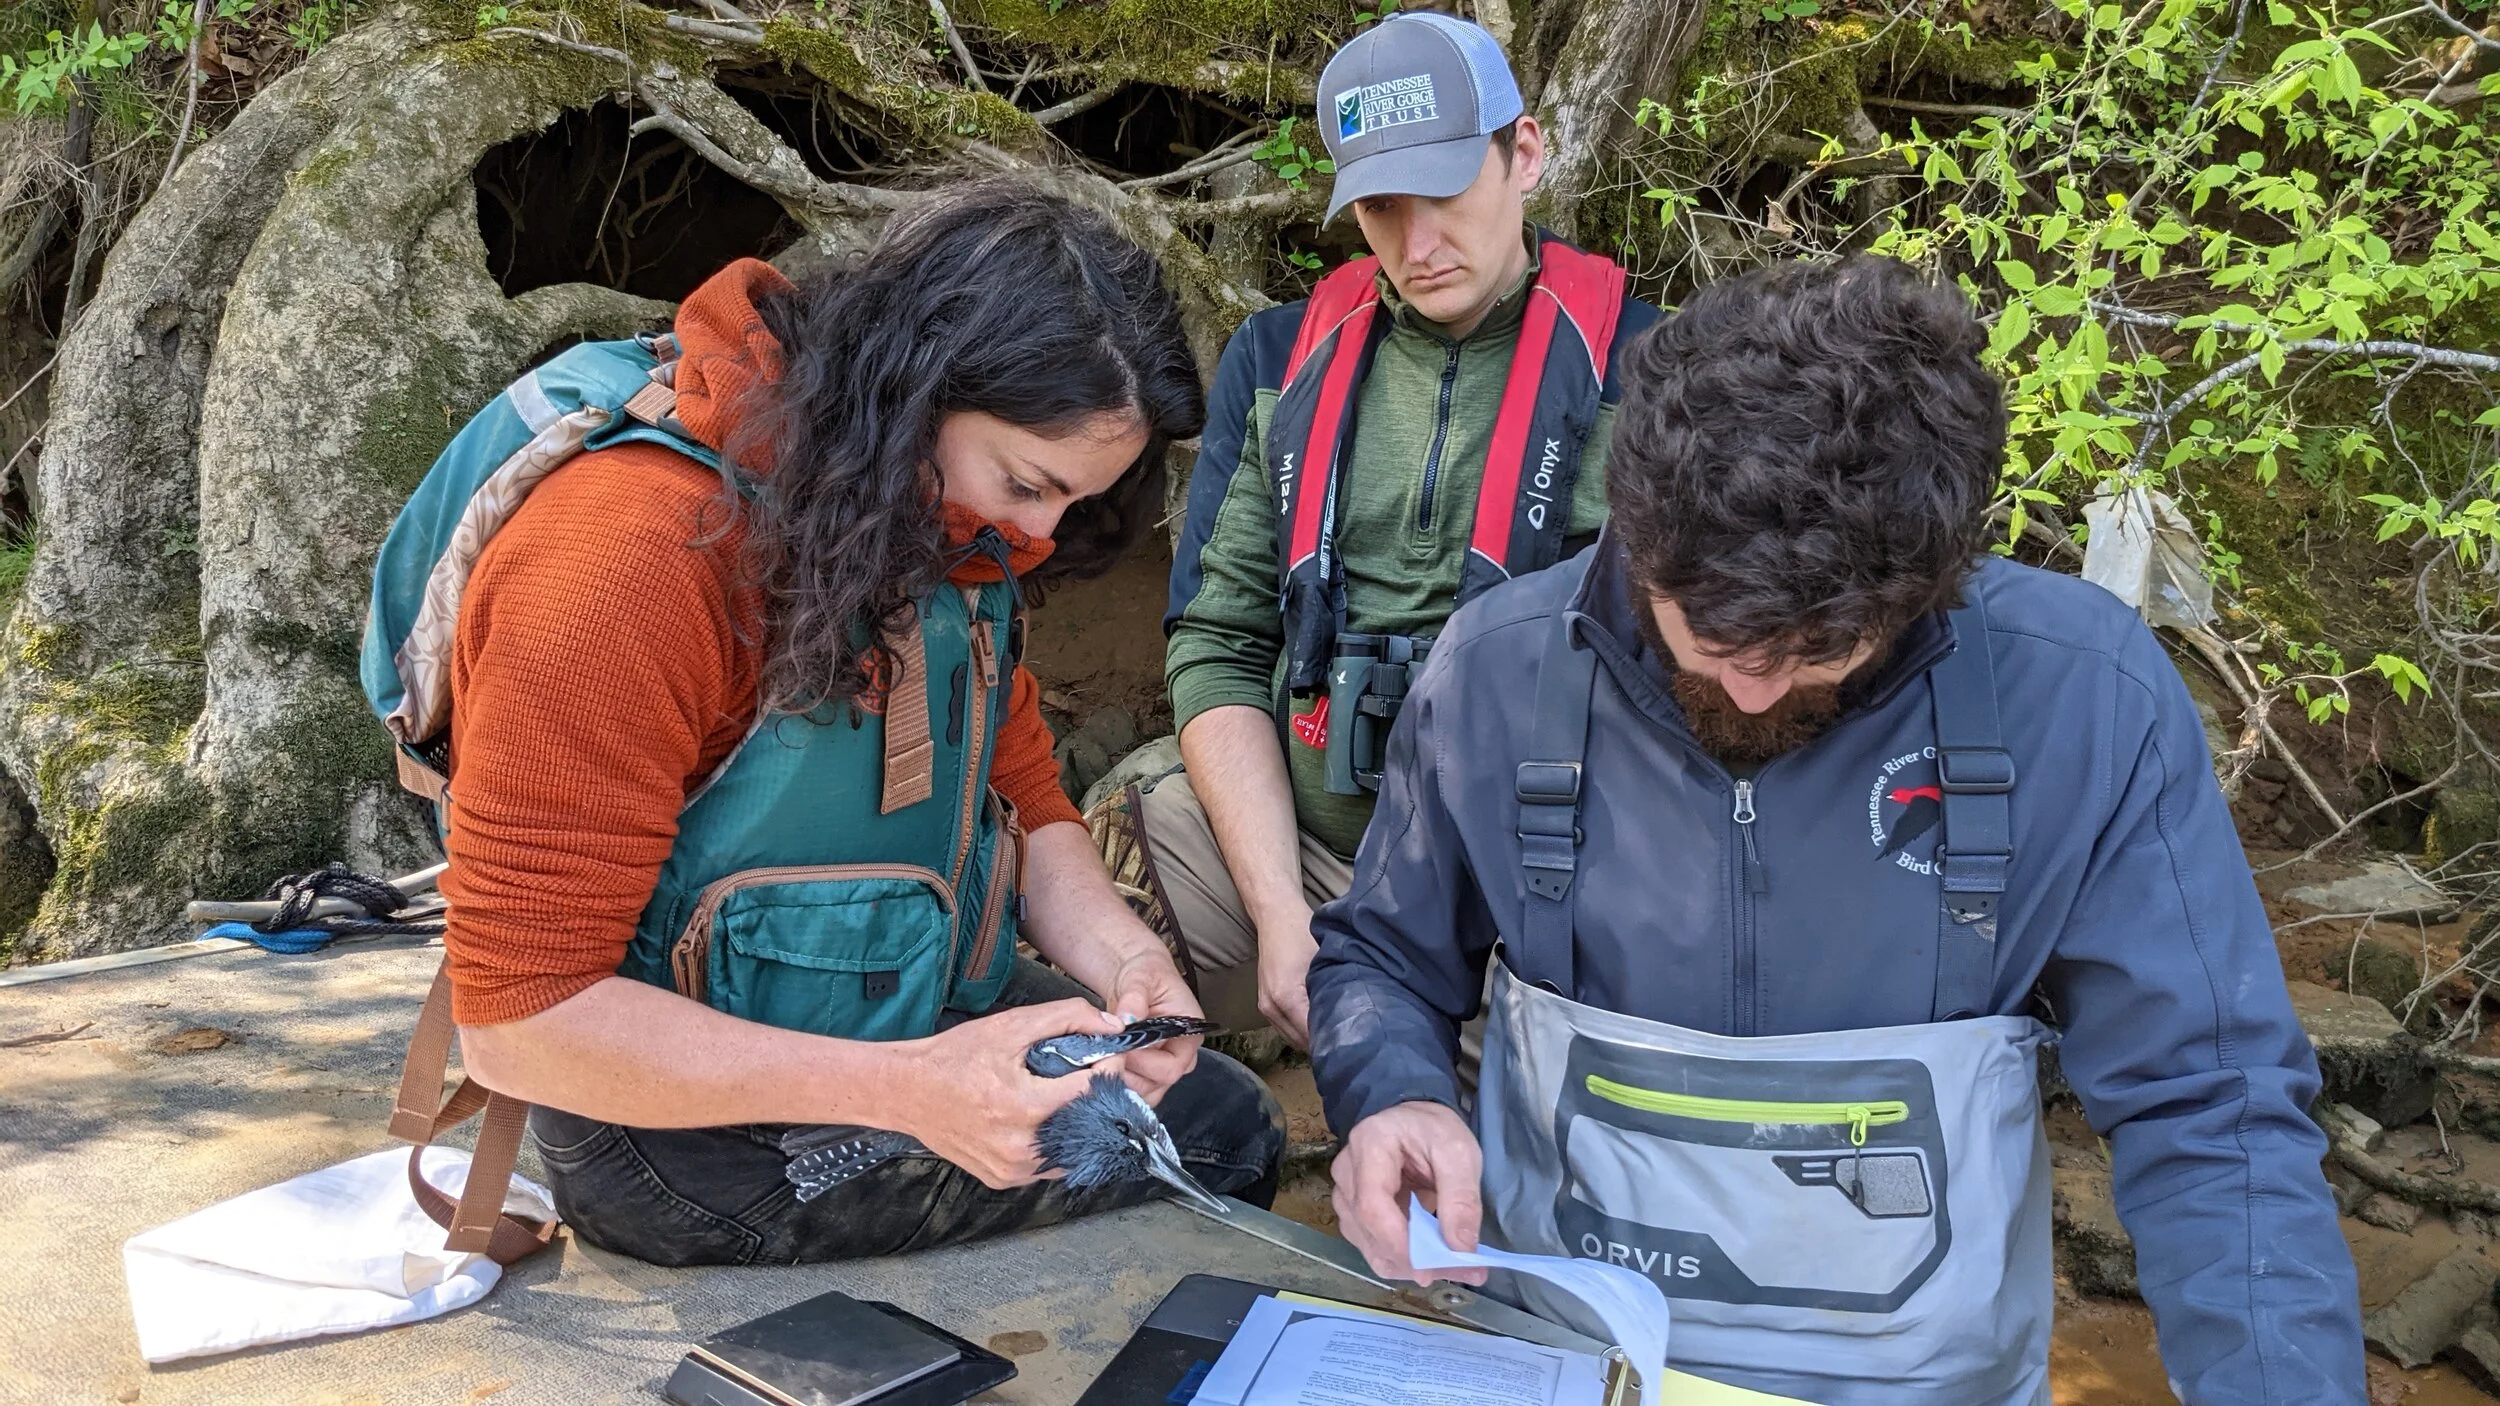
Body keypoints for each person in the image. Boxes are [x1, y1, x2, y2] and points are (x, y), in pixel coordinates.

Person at [1306, 257, 2363, 1402]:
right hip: (1567, 1361)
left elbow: (2211, 1102)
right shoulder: (1495, 671)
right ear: (1635, 530)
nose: (1756, 695)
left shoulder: (2088, 699)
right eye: (1710, 641)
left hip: (1925, 1382)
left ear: (1932, 585)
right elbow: (1382, 956)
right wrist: (1395, 1090)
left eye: (1817, 651)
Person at [387, 184, 1282, 1267]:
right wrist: (912, 1092)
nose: (1044, 534)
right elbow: (520, 1014)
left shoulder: (929, 519)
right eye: (1026, 484)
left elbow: (1026, 796)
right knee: (1200, 1162)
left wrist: (1128, 962)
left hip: (901, 998)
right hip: (661, 1113)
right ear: (913, 394)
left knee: (1219, 1122)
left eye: (1076, 502)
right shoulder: (622, 562)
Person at [1112, 11, 1661, 1047]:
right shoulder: (1279, 356)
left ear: (1525, 153)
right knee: (1104, 874)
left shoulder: (1655, 369)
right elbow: (1220, 641)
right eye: (1378, 206)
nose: (1417, 244)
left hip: (1541, 891)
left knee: (1514, 1166)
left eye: (1446, 193)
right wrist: (1280, 915)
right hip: (1311, 857)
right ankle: (1228, 1105)